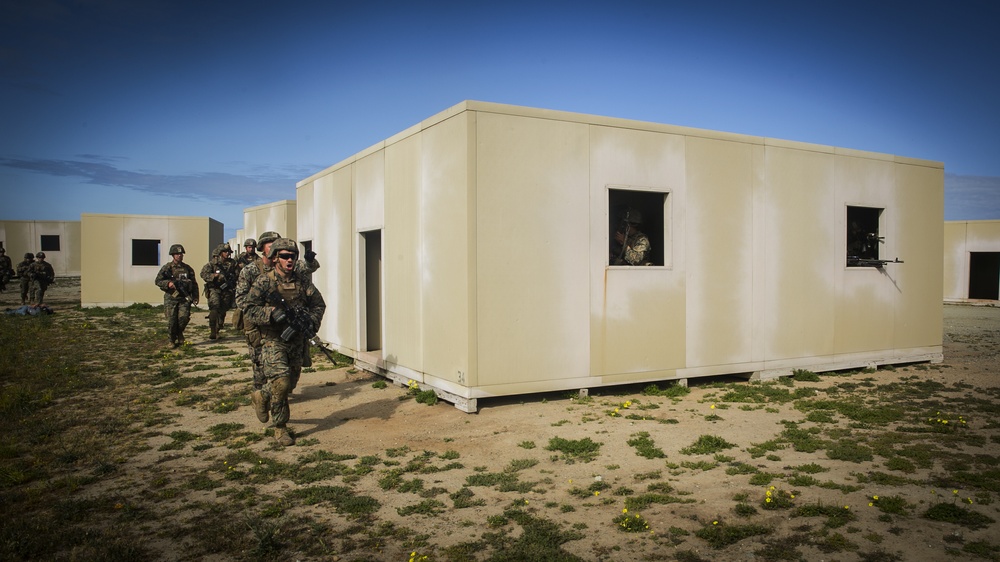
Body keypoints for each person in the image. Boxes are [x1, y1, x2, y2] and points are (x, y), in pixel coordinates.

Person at [244, 238, 326, 446]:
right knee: (281, 382)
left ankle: (261, 396)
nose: (289, 260)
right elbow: (249, 308)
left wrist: (311, 320)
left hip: (296, 340)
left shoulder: (302, 281)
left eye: (292, 256)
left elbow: (318, 304)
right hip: (273, 340)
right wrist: (271, 313)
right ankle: (281, 428)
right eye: (284, 256)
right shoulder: (265, 282)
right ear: (275, 258)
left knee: (289, 385)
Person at [154, 244, 200, 347]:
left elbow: (194, 283)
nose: (179, 255)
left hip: (184, 298)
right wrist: (168, 284)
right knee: (171, 320)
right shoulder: (167, 268)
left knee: (183, 318)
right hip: (171, 298)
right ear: (173, 255)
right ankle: (171, 339)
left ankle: (179, 333)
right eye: (177, 254)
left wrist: (195, 296)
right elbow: (158, 281)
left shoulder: (188, 269)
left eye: (181, 254)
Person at [200, 243, 238, 339]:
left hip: (227, 290)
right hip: (215, 289)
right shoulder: (213, 263)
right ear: (221, 253)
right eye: (225, 252)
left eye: (228, 252)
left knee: (223, 310)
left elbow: (238, 274)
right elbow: (203, 274)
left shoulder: (232, 263)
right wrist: (214, 276)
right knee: (214, 308)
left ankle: (218, 327)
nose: (227, 253)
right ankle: (213, 330)